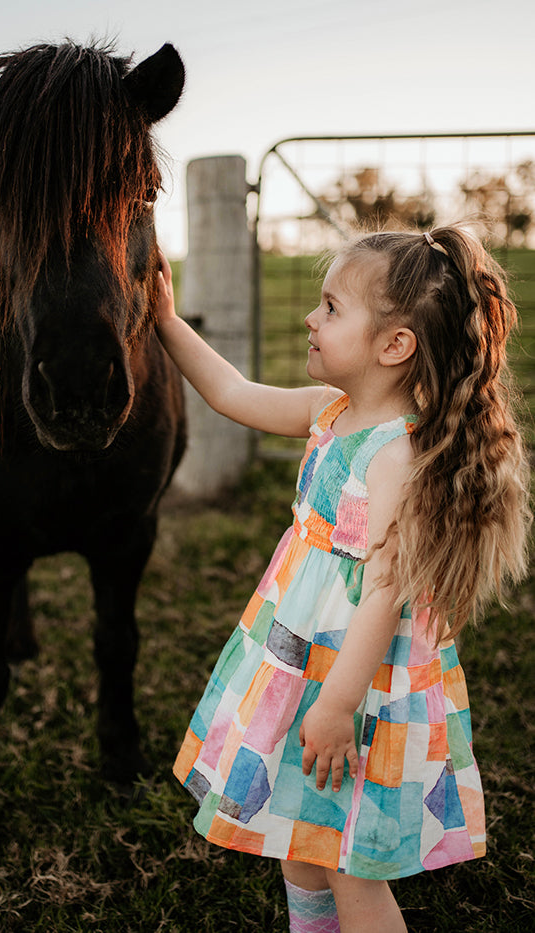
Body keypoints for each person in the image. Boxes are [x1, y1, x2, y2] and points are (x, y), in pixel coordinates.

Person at [155, 227, 531, 933]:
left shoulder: (394, 455)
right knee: (301, 837)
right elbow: (231, 392)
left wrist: (335, 706)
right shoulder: (329, 413)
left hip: (355, 686)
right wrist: (165, 320)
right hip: (305, 660)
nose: (311, 318)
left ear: (394, 346)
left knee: (350, 865)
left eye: (330, 308)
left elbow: (384, 596)